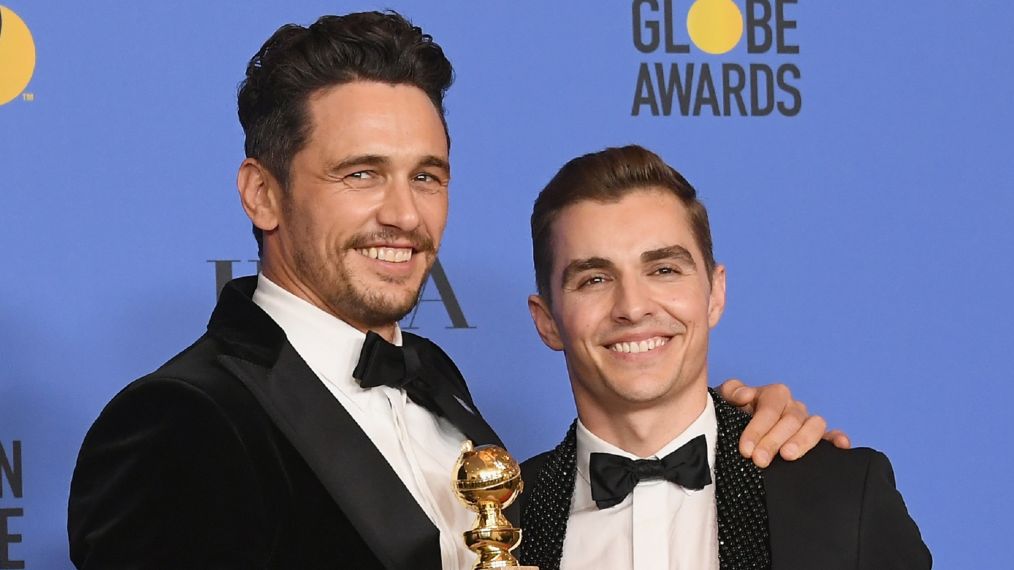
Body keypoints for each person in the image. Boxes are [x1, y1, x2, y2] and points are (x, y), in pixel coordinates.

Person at [68, 13, 844, 570]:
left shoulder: (441, 387)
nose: (404, 214)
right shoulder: (177, 424)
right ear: (262, 194)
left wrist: (734, 429)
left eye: (427, 177)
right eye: (361, 173)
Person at [517, 145, 931, 569]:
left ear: (715, 295)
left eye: (664, 270)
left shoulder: (843, 495)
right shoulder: (500, 519)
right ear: (547, 320)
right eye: (595, 279)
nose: (634, 307)